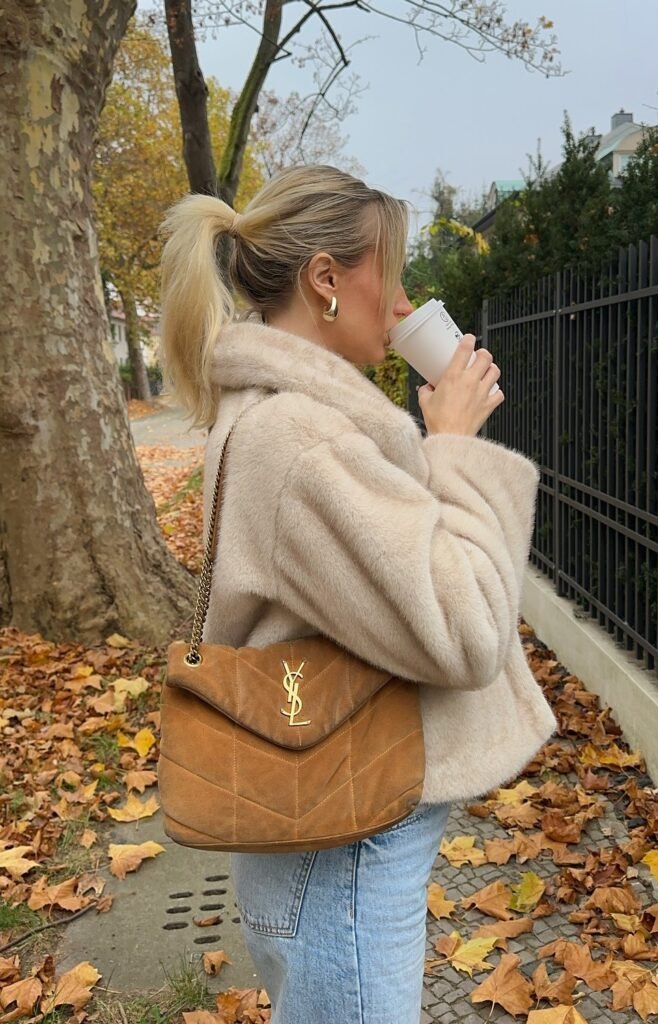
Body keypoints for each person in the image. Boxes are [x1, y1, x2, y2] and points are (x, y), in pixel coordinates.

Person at [158, 165, 556, 1024]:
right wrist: (450, 448)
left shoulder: (282, 419)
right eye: (393, 270)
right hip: (340, 839)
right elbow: (464, 630)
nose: (406, 299)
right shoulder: (301, 438)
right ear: (327, 280)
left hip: (323, 817)